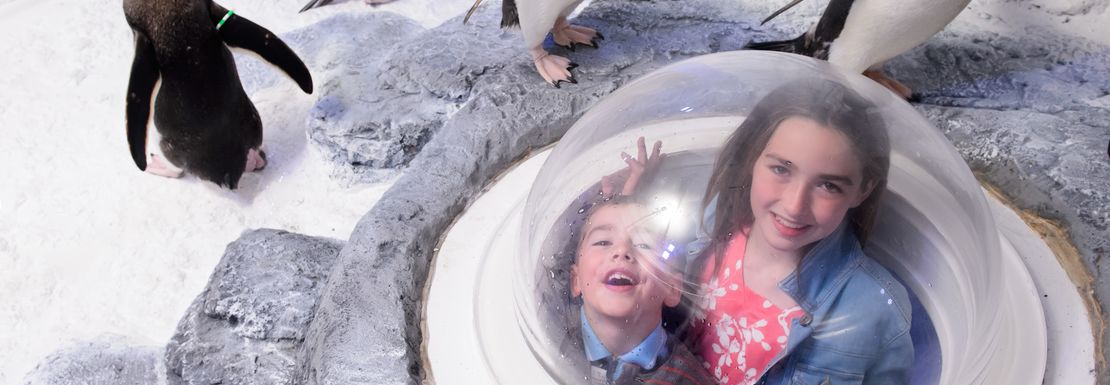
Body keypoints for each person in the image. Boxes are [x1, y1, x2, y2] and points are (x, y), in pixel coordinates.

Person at [684, 78, 913, 385]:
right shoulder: (718, 219)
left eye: (827, 185)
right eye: (781, 169)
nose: (794, 206)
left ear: (862, 190)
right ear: (752, 159)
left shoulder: (876, 310)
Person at [570, 196, 716, 385]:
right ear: (576, 280)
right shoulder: (549, 341)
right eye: (603, 242)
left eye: (643, 244)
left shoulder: (691, 380)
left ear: (672, 288)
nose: (622, 250)